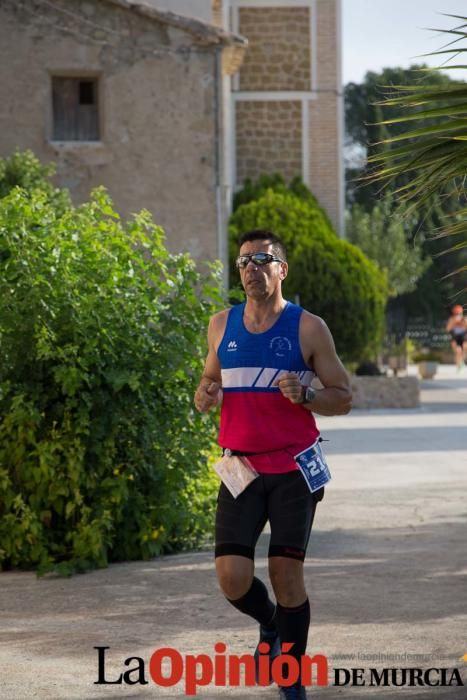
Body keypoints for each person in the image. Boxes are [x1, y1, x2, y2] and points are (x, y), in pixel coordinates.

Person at [194, 230, 352, 699]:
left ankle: (290, 675)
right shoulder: (221, 325)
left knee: (287, 577)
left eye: (264, 260)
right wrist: (206, 393)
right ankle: (270, 625)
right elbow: (209, 378)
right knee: (231, 577)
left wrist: (308, 396)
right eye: (244, 262)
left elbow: (342, 397)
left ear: (281, 270)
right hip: (240, 468)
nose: (252, 268)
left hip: (292, 471)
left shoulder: (308, 328)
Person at [446, 304, 467, 371]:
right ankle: (459, 365)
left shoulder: (464, 319)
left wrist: (464, 322)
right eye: (456, 313)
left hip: (463, 337)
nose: (458, 315)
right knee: (458, 351)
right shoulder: (452, 319)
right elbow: (448, 329)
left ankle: (462, 361)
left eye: (459, 313)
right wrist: (453, 323)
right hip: (455, 337)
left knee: (464, 348)